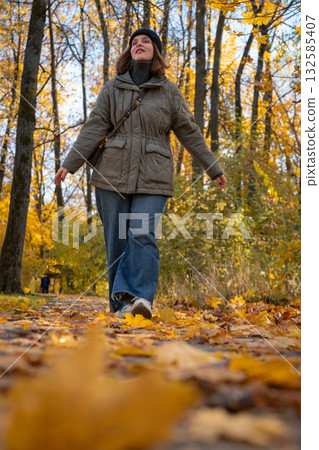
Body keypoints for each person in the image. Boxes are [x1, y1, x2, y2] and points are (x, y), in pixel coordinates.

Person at [54, 28, 226, 320]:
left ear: (155, 51)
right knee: (117, 242)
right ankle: (120, 307)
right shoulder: (113, 88)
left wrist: (213, 167)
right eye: (134, 42)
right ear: (129, 52)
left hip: (153, 175)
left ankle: (141, 299)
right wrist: (71, 163)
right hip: (111, 174)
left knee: (142, 232)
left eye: (146, 41)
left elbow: (189, 132)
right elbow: (95, 126)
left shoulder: (168, 91)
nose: (139, 44)